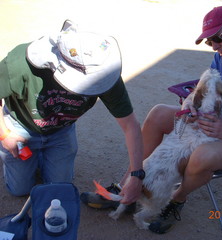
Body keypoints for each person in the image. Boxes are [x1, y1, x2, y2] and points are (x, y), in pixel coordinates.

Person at [81, 5, 222, 234]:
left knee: (204, 155)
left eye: (217, 38)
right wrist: (190, 105)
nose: (214, 46)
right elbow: (199, 90)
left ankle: (177, 199)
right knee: (159, 113)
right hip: (209, 124)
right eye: (209, 42)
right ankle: (129, 186)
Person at [0, 20, 144, 206]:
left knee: (59, 188)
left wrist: (137, 175)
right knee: (19, 190)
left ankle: (43, 157)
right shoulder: (20, 63)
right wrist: (5, 135)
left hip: (61, 130)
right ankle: (29, 161)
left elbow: (131, 126)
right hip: (21, 126)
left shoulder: (101, 70)